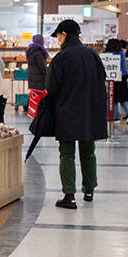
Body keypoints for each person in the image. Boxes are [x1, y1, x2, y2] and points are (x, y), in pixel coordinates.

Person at [46, 19, 107, 209]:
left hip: (67, 111)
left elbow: (51, 87)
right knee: (88, 152)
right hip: (90, 110)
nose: (58, 40)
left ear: (64, 34)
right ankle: (89, 190)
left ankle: (69, 196)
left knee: (67, 153)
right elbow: (102, 79)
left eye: (58, 36)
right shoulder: (92, 55)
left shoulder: (61, 57)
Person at [105, 38, 128, 122]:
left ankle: (116, 117)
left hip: (113, 77)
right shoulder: (122, 53)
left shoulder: (109, 55)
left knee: (113, 97)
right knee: (122, 96)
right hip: (123, 76)